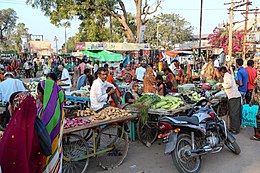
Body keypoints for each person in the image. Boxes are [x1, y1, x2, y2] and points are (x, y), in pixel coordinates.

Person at [0, 91, 43, 173]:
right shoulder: (36, 128)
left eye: (9, 104)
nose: (8, 107)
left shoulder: (15, 133)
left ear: (15, 106)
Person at [37, 80, 65, 173]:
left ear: (46, 94)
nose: (37, 96)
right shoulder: (57, 107)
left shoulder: (47, 112)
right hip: (56, 146)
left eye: (39, 93)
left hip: (47, 149)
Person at [219, 66, 242, 134]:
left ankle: (234, 129)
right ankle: (234, 128)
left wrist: (222, 84)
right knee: (234, 113)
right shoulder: (228, 75)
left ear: (222, 72)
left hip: (234, 97)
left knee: (233, 114)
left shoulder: (226, 76)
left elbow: (229, 85)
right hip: (233, 96)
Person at [249, 74, 260, 140]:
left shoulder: (258, 79)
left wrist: (251, 102)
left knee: (258, 119)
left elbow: (255, 92)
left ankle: (257, 136)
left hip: (258, 102)